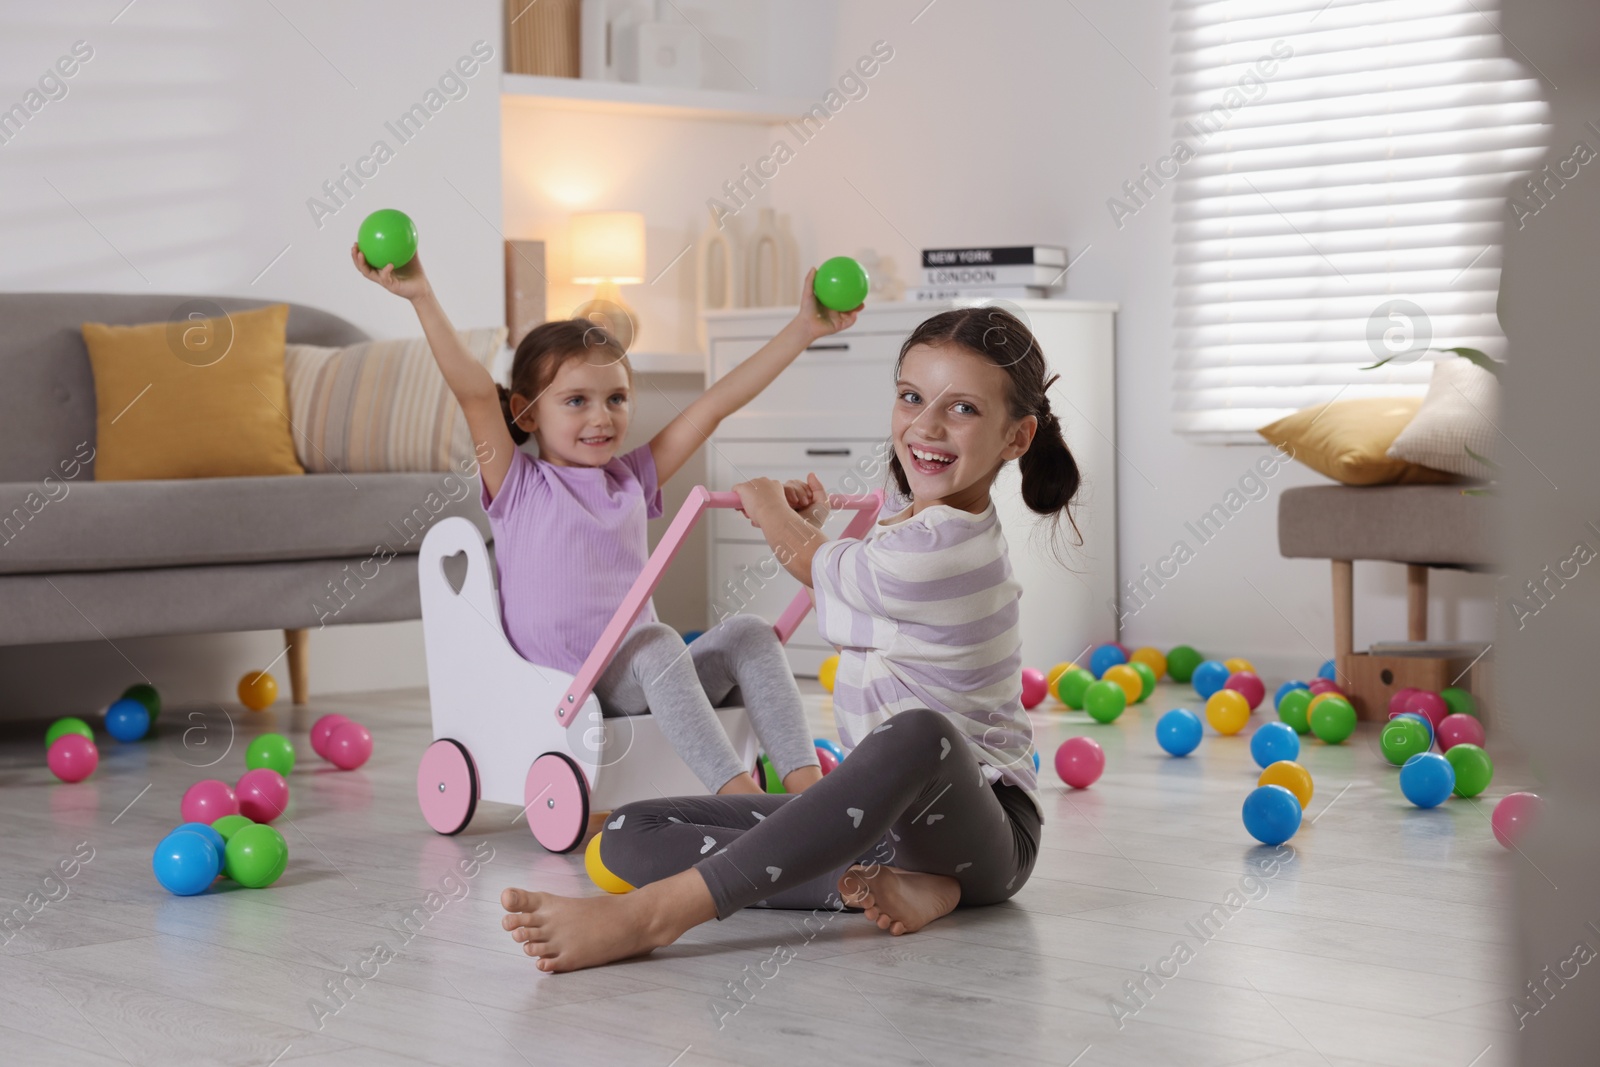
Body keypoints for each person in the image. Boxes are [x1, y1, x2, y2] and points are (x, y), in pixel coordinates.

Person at [498, 305, 1080, 972]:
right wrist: (819, 517)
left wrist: (771, 508)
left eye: (964, 409)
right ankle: (879, 885)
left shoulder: (952, 547)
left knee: (923, 731)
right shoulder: (920, 515)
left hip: (985, 835)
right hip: (886, 833)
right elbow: (866, 558)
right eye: (912, 396)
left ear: (1016, 437)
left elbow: (817, 564)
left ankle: (657, 913)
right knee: (627, 834)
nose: (926, 423)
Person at [353, 245, 861, 799]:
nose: (601, 418)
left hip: (638, 676)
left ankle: (811, 793)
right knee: (658, 642)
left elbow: (714, 405)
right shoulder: (520, 484)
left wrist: (802, 330)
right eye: (576, 401)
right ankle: (742, 802)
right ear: (527, 412)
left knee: (752, 634)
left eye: (616, 398)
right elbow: (474, 392)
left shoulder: (631, 477)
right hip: (568, 687)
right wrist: (422, 295)